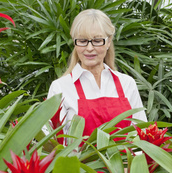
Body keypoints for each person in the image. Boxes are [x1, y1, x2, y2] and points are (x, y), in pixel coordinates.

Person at [47, 9, 147, 138]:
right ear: (74, 42)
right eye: (82, 41)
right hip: (78, 159)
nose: (89, 48)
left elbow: (141, 133)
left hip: (126, 158)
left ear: (108, 41)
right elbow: (52, 141)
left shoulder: (127, 83)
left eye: (97, 41)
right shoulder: (60, 88)